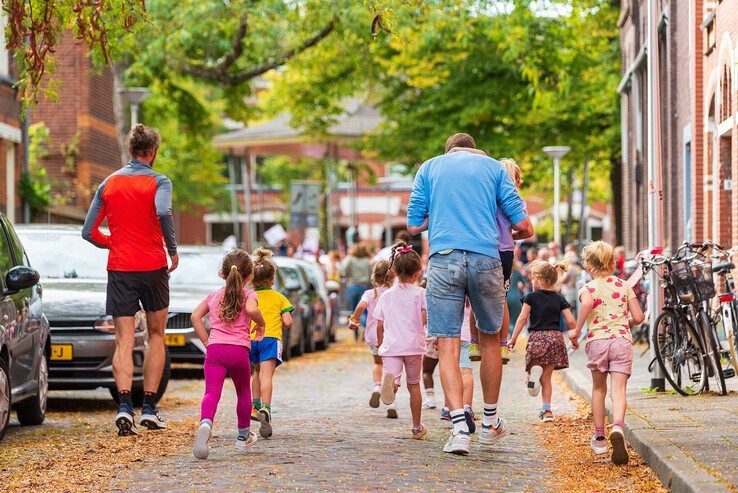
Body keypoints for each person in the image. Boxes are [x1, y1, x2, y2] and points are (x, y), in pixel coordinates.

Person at [407, 132, 533, 455]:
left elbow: (412, 225)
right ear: (475, 151)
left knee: (448, 343)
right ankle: (490, 422)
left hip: (444, 259)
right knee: (490, 339)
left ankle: (460, 428)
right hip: (486, 259)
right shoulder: (493, 169)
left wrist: (440, 213)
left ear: (448, 151)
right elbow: (522, 223)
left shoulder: (429, 169)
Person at [82, 124, 178, 436]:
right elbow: (163, 211)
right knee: (156, 336)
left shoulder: (108, 183)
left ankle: (124, 406)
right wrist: (172, 250)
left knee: (123, 339)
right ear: (153, 152)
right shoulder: (160, 181)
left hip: (120, 268)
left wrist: (115, 243)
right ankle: (149, 407)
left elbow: (88, 232)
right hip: (152, 266)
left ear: (130, 150)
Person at [568, 241, 644, 465]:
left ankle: (600, 438)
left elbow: (588, 303)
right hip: (621, 341)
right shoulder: (624, 285)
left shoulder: (587, 288)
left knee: (599, 389)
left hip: (598, 342)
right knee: (618, 390)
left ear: (588, 266)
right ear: (612, 263)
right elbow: (639, 318)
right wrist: (624, 323)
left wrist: (577, 329)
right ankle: (618, 426)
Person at [190, 249, 267, 459]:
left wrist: (206, 341)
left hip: (215, 350)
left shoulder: (214, 295)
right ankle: (243, 436)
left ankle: (206, 423)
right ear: (249, 276)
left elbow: (195, 316)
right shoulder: (250, 295)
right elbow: (251, 311)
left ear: (222, 274)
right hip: (239, 351)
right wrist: (261, 323)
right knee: (243, 391)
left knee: (211, 392)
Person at [508, 260, 575, 423]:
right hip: (555, 338)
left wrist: (513, 338)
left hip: (537, 338)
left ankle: (532, 376)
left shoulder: (530, 297)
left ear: (540, 280)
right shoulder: (559, 298)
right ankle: (547, 411)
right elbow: (571, 321)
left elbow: (522, 318)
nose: (532, 281)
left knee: (534, 367)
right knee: (547, 377)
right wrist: (574, 338)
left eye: (533, 279)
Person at [376, 242, 428, 440]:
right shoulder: (421, 294)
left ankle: (392, 385)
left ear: (395, 272)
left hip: (392, 345)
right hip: (413, 345)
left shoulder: (386, 295)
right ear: (418, 272)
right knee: (414, 385)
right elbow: (424, 318)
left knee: (395, 378)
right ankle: (416, 427)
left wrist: (381, 344)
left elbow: (379, 324)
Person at [249, 248, 294, 439]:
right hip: (271, 339)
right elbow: (288, 321)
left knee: (256, 373)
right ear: (272, 279)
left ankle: (254, 405)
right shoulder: (279, 297)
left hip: (251, 339)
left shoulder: (250, 296)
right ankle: (266, 409)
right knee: (267, 376)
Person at [348, 260, 397, 418]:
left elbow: (360, 307)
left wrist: (354, 320)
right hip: (393, 335)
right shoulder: (394, 293)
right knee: (391, 368)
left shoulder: (370, 294)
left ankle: (377, 387)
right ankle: (392, 403)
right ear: (392, 277)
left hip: (374, 335)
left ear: (374, 277)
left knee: (378, 363)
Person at [340, 243, 373, 335]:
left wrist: (346, 275)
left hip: (352, 286)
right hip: (364, 287)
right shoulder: (368, 260)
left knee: (354, 310)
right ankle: (365, 327)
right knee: (364, 310)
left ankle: (355, 329)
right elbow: (373, 272)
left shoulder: (350, 259)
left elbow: (342, 269)